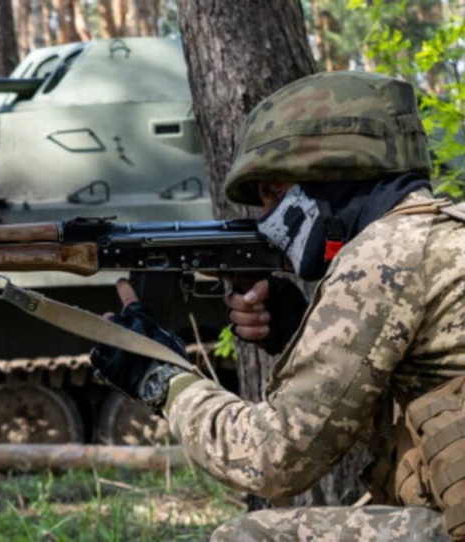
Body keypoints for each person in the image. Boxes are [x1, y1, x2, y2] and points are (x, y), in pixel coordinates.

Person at [90, 70, 465, 541]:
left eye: (272, 192)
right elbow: (422, 416)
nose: (265, 217)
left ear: (331, 172)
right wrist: (298, 332)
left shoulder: (382, 255)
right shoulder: (440, 232)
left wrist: (161, 379)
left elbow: (273, 460)